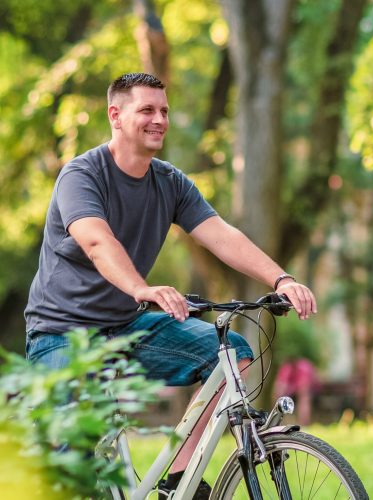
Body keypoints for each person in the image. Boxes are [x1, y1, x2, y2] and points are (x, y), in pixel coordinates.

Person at [23, 73, 317, 499]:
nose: (158, 119)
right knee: (76, 466)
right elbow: (96, 240)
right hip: (61, 335)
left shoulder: (170, 182)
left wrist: (281, 278)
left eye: (163, 111)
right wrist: (141, 289)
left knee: (233, 353)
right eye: (146, 110)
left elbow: (222, 234)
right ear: (116, 115)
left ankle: (179, 480)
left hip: (124, 328)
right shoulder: (82, 175)